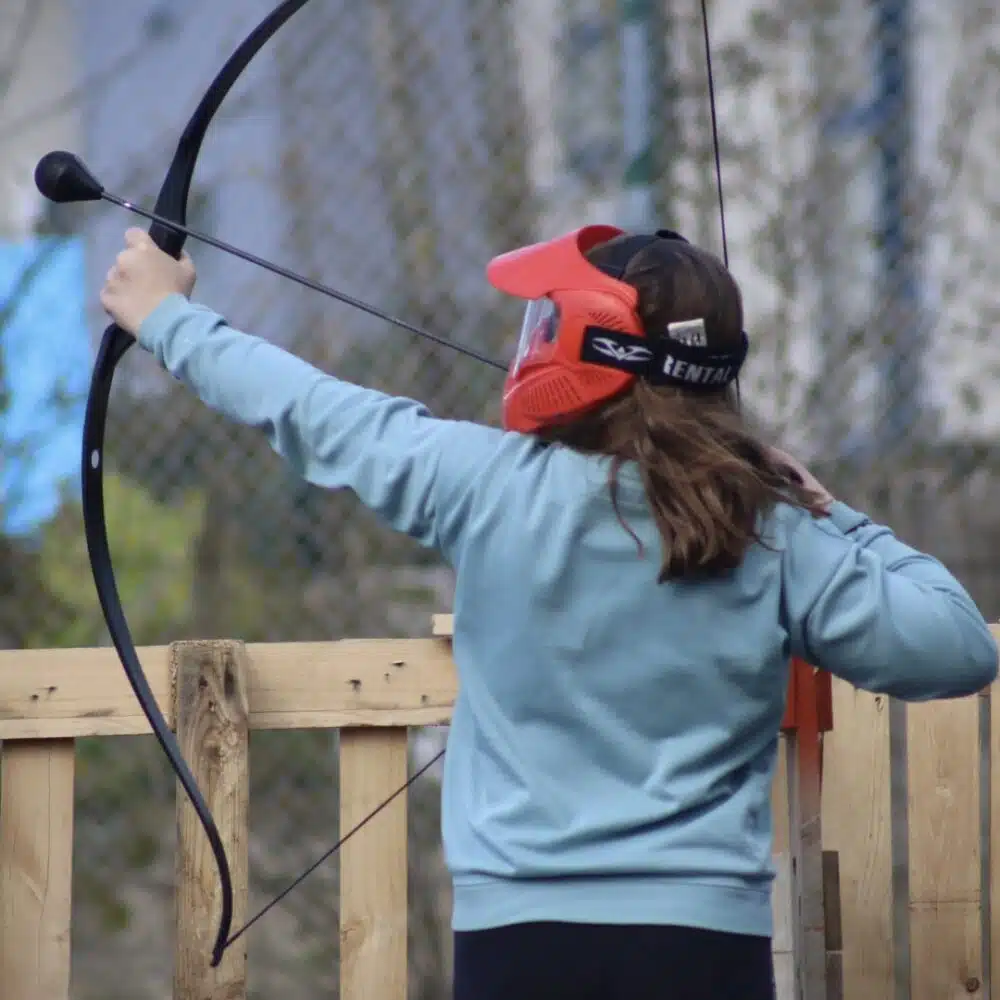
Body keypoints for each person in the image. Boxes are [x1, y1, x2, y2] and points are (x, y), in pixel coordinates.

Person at [101, 224, 997, 1000]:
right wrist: (828, 513)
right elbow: (957, 645)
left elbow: (312, 410)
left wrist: (166, 316)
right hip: (702, 945)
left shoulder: (484, 484)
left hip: (517, 941)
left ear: (587, 346)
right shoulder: (770, 532)